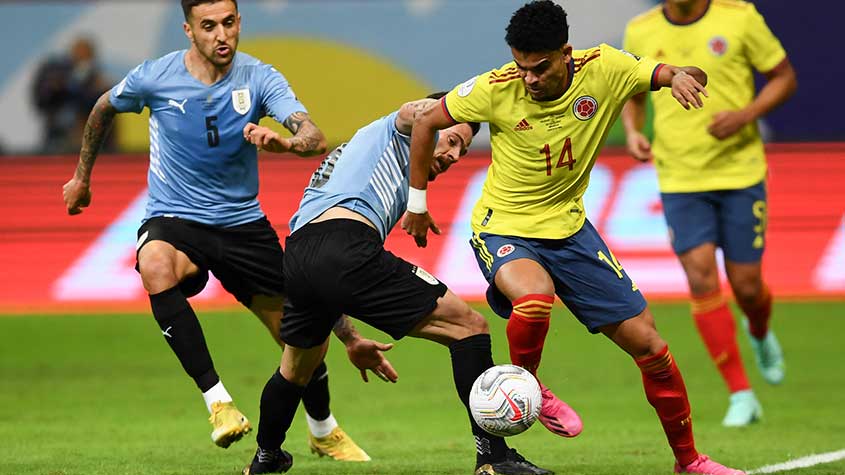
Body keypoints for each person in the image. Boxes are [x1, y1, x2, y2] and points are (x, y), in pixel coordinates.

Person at [403, 2, 745, 474]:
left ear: (566, 53)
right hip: (504, 226)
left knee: (652, 348)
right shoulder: (494, 87)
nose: (529, 78)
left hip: (571, 231)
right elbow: (425, 122)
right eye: (521, 66)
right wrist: (417, 205)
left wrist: (685, 76)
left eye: (540, 67)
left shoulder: (604, 67)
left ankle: (690, 462)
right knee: (535, 299)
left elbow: (665, 72)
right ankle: (529, 385)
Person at [61, 0, 390, 461]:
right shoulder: (155, 76)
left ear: (240, 23)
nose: (222, 35)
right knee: (153, 263)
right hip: (175, 217)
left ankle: (323, 429)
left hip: (242, 226)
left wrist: (286, 142)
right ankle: (218, 402)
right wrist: (82, 177)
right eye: (209, 26)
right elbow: (102, 108)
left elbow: (313, 136)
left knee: (301, 337)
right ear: (189, 30)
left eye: (229, 23)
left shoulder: (259, 78)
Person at [240, 94, 552, 475]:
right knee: (469, 327)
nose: (454, 156)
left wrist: (351, 339)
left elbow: (326, 274)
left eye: (463, 150)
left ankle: (265, 458)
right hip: (345, 242)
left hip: (301, 254)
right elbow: (417, 114)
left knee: (296, 367)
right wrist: (476, 97)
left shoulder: (367, 154)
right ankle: (494, 458)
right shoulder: (401, 125)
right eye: (452, 139)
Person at [621, 0, 797, 427]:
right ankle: (740, 393)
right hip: (681, 178)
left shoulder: (739, 17)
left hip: (740, 173)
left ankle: (758, 331)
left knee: (748, 287)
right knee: (700, 275)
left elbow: (784, 77)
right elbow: (634, 92)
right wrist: (633, 132)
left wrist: (746, 115)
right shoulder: (640, 30)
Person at [32, 36, 113, 154]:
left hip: (85, 134)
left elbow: (99, 106)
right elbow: (42, 98)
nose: (83, 58)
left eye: (87, 55)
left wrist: (99, 90)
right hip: (57, 134)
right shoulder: (55, 71)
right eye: (80, 53)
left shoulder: (94, 78)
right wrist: (62, 85)